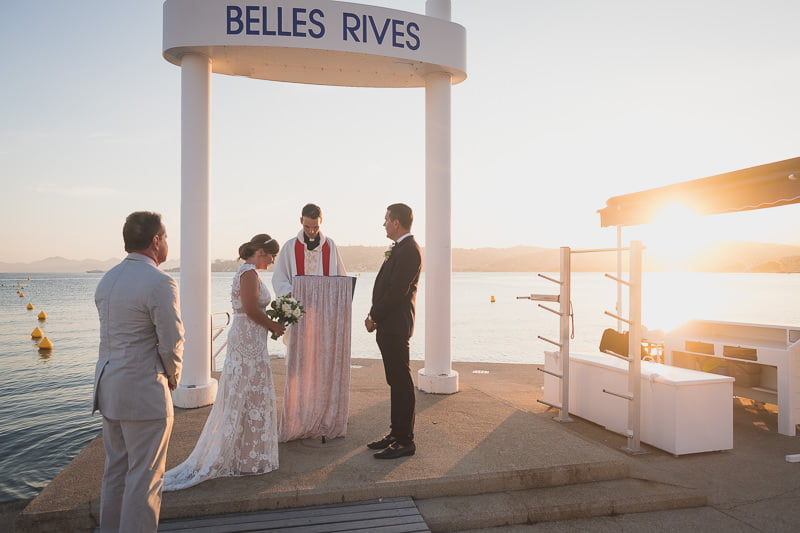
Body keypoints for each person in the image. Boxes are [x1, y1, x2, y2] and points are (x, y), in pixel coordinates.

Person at [163, 234, 285, 490]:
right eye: (272, 255)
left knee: (249, 394)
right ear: (261, 252)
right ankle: (244, 456)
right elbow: (250, 309)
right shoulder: (248, 273)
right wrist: (273, 325)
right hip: (247, 341)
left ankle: (247, 455)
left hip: (251, 338)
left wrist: (270, 325)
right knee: (246, 392)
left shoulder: (248, 272)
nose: (273, 261)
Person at [93, 211, 184, 532]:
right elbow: (171, 340)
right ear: (156, 241)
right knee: (145, 477)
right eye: (166, 237)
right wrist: (173, 376)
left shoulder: (107, 279)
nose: (167, 243)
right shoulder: (160, 281)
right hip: (144, 391)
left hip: (109, 389)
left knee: (116, 472)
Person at [364, 203, 422, 459]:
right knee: (395, 381)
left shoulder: (409, 250)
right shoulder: (400, 248)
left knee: (401, 383)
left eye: (386, 219)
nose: (384, 224)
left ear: (396, 222)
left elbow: (397, 291)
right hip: (389, 324)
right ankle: (395, 433)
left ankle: (405, 441)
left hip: (395, 324)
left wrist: (374, 316)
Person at [271, 203, 347, 297]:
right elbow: (279, 278)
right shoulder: (290, 247)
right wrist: (288, 292)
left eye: (315, 227)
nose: (311, 231)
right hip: (298, 301)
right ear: (301, 220)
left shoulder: (330, 245)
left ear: (321, 220)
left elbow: (341, 279)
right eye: (307, 227)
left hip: (324, 301)